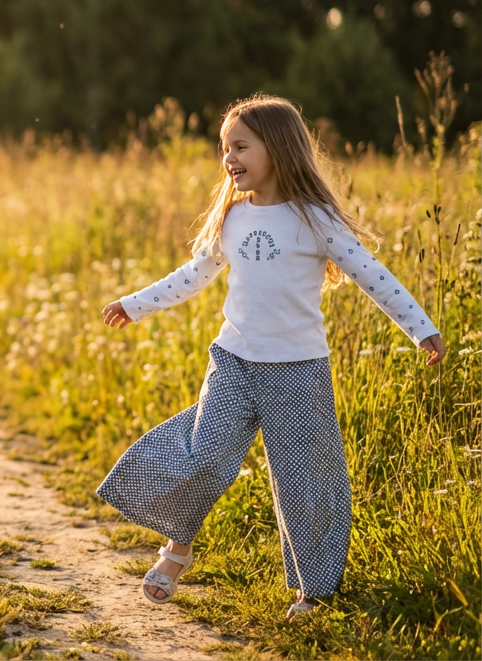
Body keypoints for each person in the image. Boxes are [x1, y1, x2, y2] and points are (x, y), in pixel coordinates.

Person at [95, 94, 444, 620]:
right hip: (233, 359)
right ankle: (178, 548)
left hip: (298, 369)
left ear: (278, 149)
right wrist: (134, 304)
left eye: (239, 146)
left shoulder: (316, 218)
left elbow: (372, 275)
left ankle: (312, 591)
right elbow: (193, 277)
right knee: (204, 458)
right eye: (224, 148)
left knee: (303, 481)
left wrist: (420, 328)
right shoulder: (231, 218)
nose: (227, 158)